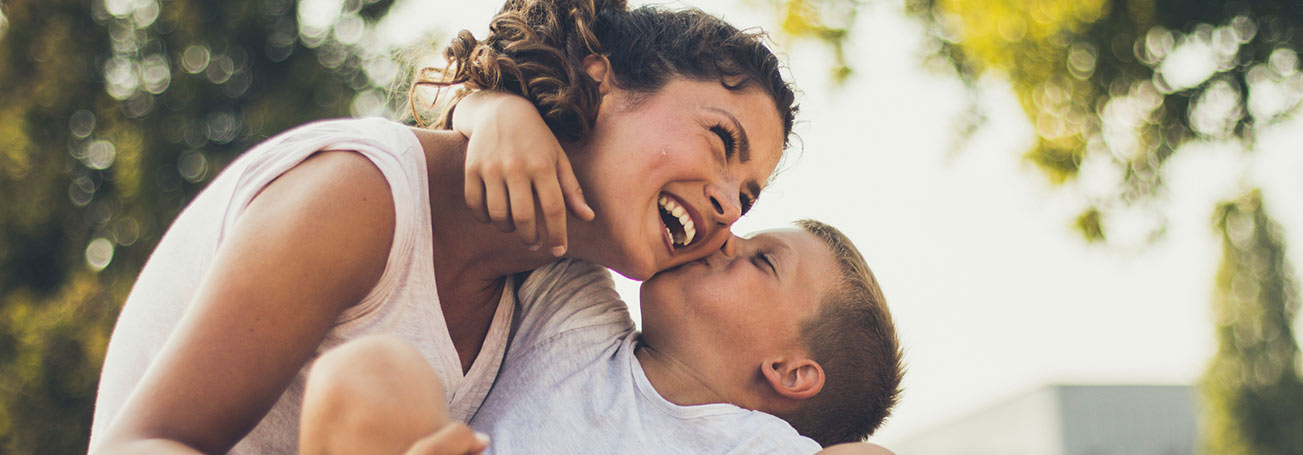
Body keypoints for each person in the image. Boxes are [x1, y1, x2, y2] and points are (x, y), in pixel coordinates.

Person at [87, 0, 796, 453]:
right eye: (720, 141)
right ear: (602, 80)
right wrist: (484, 104)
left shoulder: (553, 282)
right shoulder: (361, 197)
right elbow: (138, 443)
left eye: (748, 197)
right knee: (378, 381)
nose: (731, 209)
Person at [298, 221, 903, 455]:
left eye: (762, 261)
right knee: (370, 372)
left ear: (790, 372)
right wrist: (485, 113)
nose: (726, 236)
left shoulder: (757, 446)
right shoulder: (581, 320)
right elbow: (559, 156)